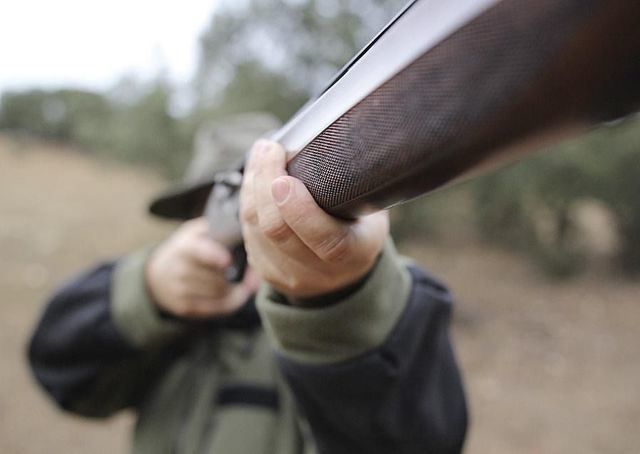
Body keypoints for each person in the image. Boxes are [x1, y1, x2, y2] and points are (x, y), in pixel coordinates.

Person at [28, 112, 468, 454]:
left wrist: (340, 300)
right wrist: (149, 289)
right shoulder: (172, 318)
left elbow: (422, 437)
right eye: (207, 209)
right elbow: (58, 366)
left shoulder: (385, 299)